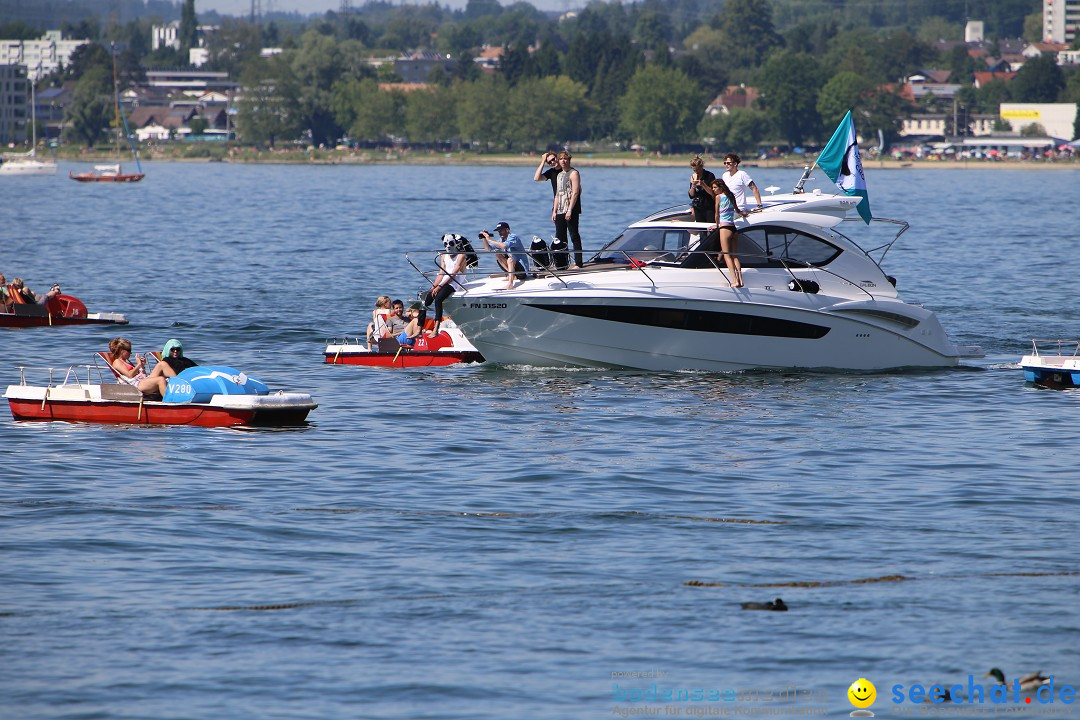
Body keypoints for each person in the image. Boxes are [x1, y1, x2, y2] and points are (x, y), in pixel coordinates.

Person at [418, 235, 469, 336]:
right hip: (443, 283)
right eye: (446, 244)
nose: (448, 246)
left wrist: (439, 287)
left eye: (451, 243)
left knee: (438, 299)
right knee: (423, 299)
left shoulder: (461, 255)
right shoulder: (444, 256)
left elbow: (453, 274)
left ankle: (436, 328)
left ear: (455, 244)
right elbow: (441, 274)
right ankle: (419, 329)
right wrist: (433, 286)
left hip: (454, 283)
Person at [710, 177, 749, 288]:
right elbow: (738, 211)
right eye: (712, 188)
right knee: (734, 256)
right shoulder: (731, 196)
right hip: (733, 228)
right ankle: (741, 281)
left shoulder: (719, 197)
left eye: (715, 187)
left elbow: (717, 214)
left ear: (720, 187)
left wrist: (716, 225)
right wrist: (744, 214)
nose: (713, 190)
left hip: (725, 228)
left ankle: (735, 281)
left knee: (727, 256)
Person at [550, 151, 583, 268]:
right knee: (560, 237)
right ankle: (562, 262)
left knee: (574, 235)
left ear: (569, 160)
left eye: (565, 159)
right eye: (561, 159)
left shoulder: (573, 173)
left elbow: (575, 192)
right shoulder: (559, 175)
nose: (563, 161)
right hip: (560, 209)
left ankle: (578, 262)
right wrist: (554, 211)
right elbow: (557, 194)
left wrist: (569, 210)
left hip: (571, 209)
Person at [479, 222, 530, 290]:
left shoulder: (513, 237)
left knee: (510, 259)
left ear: (507, 230)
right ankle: (511, 275)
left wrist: (490, 240)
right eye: (498, 231)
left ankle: (510, 284)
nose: (500, 233)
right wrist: (484, 239)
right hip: (513, 269)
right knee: (497, 253)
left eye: (501, 230)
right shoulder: (501, 240)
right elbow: (488, 248)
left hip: (522, 271)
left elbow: (504, 246)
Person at [688, 156, 717, 223]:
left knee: (710, 228)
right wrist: (693, 186)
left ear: (701, 167)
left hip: (709, 207)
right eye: (694, 170)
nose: (696, 172)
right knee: (702, 231)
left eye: (697, 170)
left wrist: (703, 184)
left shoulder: (710, 175)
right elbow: (691, 195)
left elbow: (713, 193)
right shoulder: (693, 176)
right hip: (698, 207)